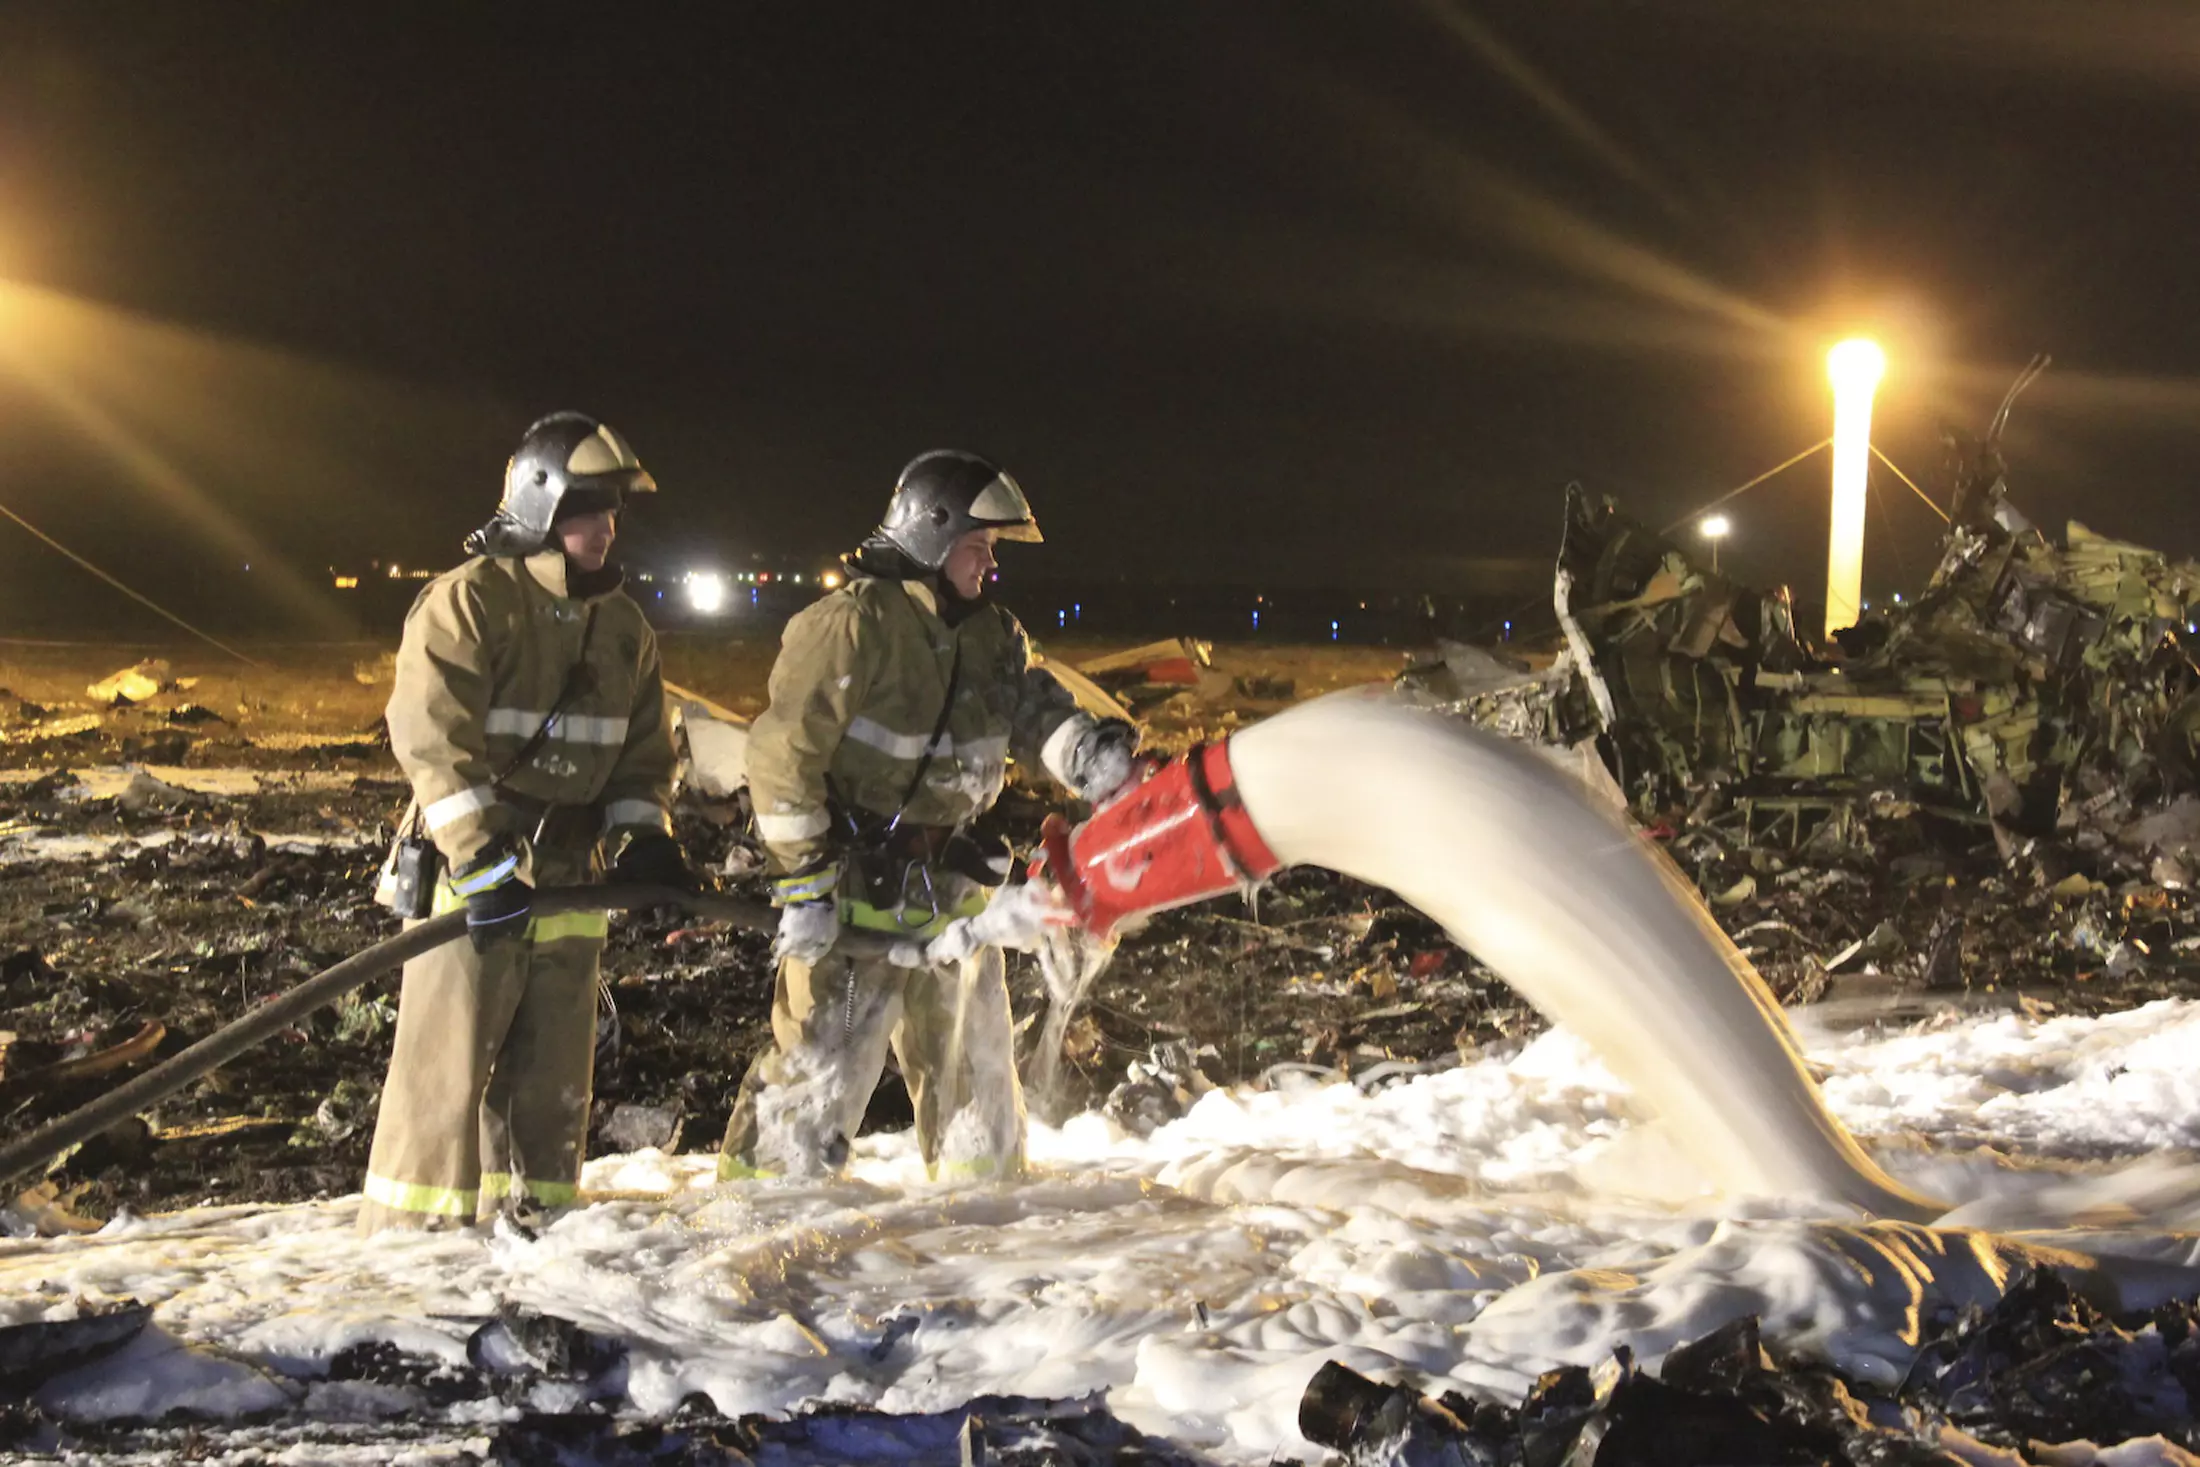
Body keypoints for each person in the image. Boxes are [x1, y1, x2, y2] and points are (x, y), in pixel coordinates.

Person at [720, 450, 1137, 1182]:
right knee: (818, 1081)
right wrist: (804, 887)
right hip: (852, 893)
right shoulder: (851, 626)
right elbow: (782, 760)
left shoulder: (992, 634)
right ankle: (757, 1228)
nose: (989, 565)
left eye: (992, 550)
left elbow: (1033, 708)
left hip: (953, 898)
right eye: (979, 547)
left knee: (976, 1082)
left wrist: (1092, 759)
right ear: (931, 535)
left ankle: (981, 1229)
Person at [359, 412, 691, 1235]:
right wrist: (479, 861)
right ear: (540, 505)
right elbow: (434, 742)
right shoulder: (471, 601)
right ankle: (417, 1242)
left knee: (553, 1073)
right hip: (475, 876)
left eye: (613, 511)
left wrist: (647, 837)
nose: (606, 528)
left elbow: (642, 755)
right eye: (588, 509)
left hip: (571, 875)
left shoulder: (622, 629)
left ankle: (545, 1225)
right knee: (447, 1067)